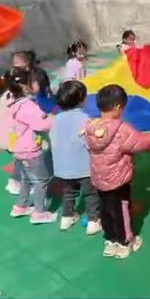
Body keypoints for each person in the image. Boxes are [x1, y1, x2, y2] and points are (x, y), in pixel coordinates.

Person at [85, 85, 150, 258]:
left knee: (106, 209)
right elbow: (139, 142)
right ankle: (125, 242)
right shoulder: (121, 129)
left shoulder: (91, 126)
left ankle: (110, 240)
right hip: (118, 180)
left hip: (99, 178)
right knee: (121, 209)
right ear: (117, 107)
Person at [5, 67, 56, 224]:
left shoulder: (12, 102)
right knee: (41, 180)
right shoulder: (28, 106)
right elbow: (42, 125)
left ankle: (20, 206)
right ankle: (39, 212)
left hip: (19, 149)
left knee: (26, 178)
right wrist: (51, 118)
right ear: (24, 86)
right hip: (31, 151)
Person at [50, 81, 101, 235]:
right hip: (84, 167)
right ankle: (93, 221)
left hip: (62, 168)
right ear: (81, 99)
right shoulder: (86, 120)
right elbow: (92, 143)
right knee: (91, 194)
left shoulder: (55, 119)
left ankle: (66, 217)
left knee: (68, 193)